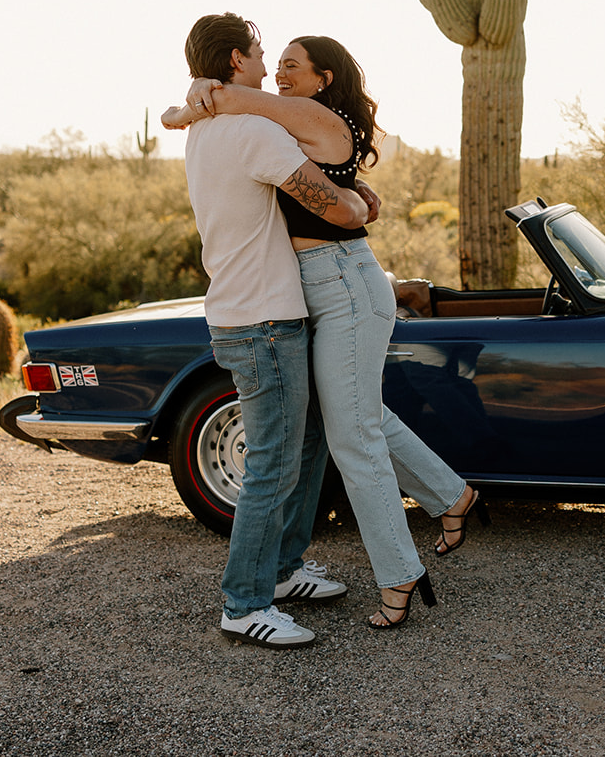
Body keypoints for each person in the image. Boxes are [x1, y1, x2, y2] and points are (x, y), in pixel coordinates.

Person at [166, 34, 488, 630]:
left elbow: (343, 211)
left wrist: (360, 207)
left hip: (341, 282)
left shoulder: (298, 118)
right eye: (273, 61)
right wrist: (195, 97)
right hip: (314, 289)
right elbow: (187, 114)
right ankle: (451, 497)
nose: (279, 73)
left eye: (292, 65)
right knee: (355, 420)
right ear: (239, 60)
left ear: (324, 78)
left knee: (353, 435)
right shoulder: (261, 122)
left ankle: (399, 573)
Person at [179, 13, 369, 650]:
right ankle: (245, 602)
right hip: (263, 320)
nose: (267, 65)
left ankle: (283, 570)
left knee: (305, 442)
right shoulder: (250, 130)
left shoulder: (204, 129)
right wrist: (362, 204)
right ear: (236, 61)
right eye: (260, 53)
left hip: (253, 313)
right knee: (272, 466)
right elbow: (329, 202)